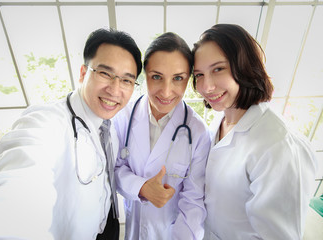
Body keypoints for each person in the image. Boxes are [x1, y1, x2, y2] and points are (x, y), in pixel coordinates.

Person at [0, 28, 142, 240]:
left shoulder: (110, 125)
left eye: (126, 80)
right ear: (83, 73)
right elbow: (20, 183)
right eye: (105, 73)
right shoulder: (47, 122)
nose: (114, 89)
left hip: (107, 227)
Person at [192, 23, 317, 240]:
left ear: (245, 66)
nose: (207, 86)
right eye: (199, 74)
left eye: (218, 69)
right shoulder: (221, 121)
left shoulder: (279, 146)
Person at [114, 32, 211, 240]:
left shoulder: (198, 132)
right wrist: (141, 187)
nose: (166, 92)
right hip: (133, 231)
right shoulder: (123, 116)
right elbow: (114, 169)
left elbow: (193, 202)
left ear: (189, 79)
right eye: (156, 76)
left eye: (178, 78)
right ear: (144, 74)